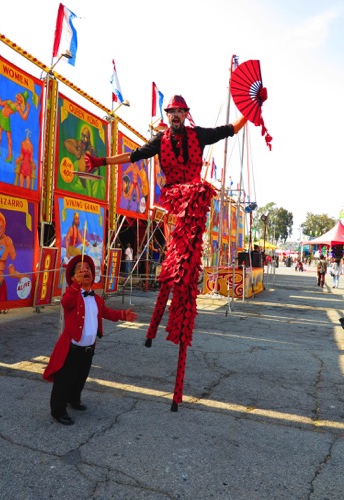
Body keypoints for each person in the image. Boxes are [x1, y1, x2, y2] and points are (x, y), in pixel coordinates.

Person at [84, 92, 264, 408]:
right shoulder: (161, 140)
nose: (175, 116)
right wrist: (101, 162)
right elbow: (134, 155)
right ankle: (158, 323)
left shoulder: (198, 135)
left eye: (180, 112)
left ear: (186, 114)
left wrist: (252, 108)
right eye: (172, 112)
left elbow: (230, 130)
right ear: (168, 116)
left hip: (193, 205)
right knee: (173, 264)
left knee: (185, 264)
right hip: (175, 205)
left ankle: (171, 325)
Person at [43, 254, 137, 425]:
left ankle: (74, 399)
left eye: (87, 268)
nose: (84, 270)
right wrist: (74, 286)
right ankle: (58, 410)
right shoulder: (72, 295)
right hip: (71, 348)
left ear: (92, 276)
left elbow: (107, 313)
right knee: (65, 380)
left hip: (88, 349)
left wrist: (123, 315)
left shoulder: (97, 299)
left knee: (80, 377)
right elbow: (65, 303)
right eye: (79, 269)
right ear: (72, 277)